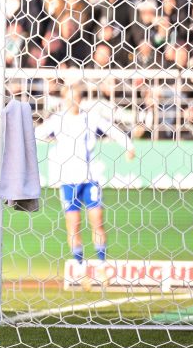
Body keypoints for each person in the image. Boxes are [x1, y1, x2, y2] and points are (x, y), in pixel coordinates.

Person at [34, 82, 136, 262]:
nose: (72, 101)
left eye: (75, 98)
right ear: (64, 100)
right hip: (68, 180)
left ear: (80, 99)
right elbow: (35, 135)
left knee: (97, 221)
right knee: (73, 225)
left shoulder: (91, 118)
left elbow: (113, 130)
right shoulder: (57, 120)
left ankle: (102, 265)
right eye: (68, 98)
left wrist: (129, 146)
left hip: (90, 179)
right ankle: (79, 266)